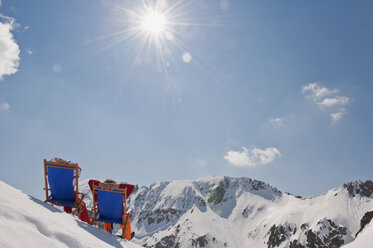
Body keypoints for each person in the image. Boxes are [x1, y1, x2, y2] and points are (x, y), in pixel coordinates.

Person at [49, 157, 91, 224]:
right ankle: (86, 222)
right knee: (81, 204)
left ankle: (68, 216)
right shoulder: (71, 173)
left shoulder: (51, 170)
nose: (61, 159)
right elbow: (79, 169)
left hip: (56, 194)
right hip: (68, 194)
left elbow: (50, 161)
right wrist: (68, 162)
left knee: (68, 200)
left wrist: (57, 160)